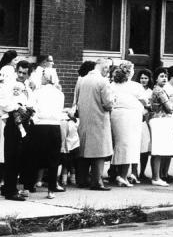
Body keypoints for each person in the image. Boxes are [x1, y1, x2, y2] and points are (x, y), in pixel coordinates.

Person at [74, 58, 115, 190]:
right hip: (99, 119)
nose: (107, 72)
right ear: (104, 68)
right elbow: (108, 103)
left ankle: (82, 180)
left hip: (84, 119)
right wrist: (113, 100)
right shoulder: (103, 82)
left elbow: (77, 99)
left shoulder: (82, 80)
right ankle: (97, 181)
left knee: (84, 150)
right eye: (107, 69)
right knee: (99, 151)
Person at [0, 61, 34, 200]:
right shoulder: (8, 84)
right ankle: (10, 191)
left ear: (28, 74)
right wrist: (17, 107)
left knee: (19, 156)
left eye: (24, 73)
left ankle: (8, 186)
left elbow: (31, 101)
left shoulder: (27, 86)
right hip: (13, 122)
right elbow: (2, 102)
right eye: (19, 72)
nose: (21, 75)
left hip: (24, 122)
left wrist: (30, 110)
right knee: (12, 156)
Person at [29, 69, 65, 198]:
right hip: (55, 127)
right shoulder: (59, 94)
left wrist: (36, 119)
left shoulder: (37, 92)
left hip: (40, 126)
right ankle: (51, 189)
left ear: (46, 77)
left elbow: (32, 109)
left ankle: (31, 185)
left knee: (35, 157)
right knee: (53, 159)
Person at [109, 61, 145, 187]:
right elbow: (145, 101)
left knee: (119, 144)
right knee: (129, 146)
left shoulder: (112, 85)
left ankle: (116, 173)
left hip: (116, 116)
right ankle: (123, 176)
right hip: (131, 117)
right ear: (130, 71)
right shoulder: (135, 86)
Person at [135, 69, 154, 181]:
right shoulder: (136, 89)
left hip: (145, 121)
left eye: (146, 78)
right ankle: (134, 172)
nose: (143, 80)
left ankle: (142, 172)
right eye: (142, 78)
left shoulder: (150, 92)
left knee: (145, 147)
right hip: (136, 119)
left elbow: (151, 107)